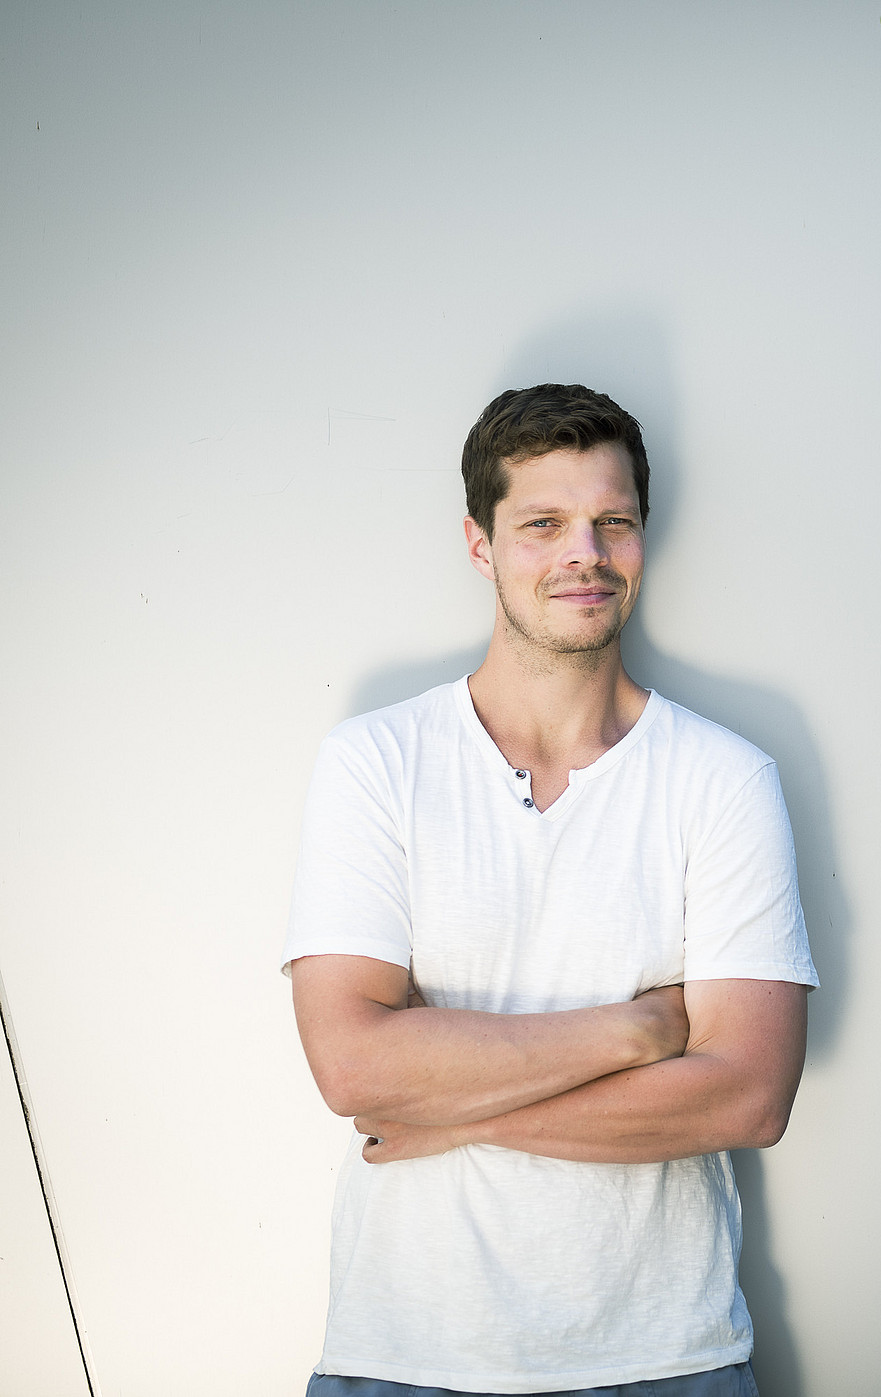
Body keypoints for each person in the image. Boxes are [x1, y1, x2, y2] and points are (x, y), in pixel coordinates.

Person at [283, 383, 818, 1397]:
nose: (585, 552)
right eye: (542, 524)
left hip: (668, 1359)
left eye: (612, 521)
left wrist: (446, 1110)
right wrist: (639, 1032)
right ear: (480, 544)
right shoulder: (376, 761)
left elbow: (749, 1095)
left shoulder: (721, 778)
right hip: (403, 1357)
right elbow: (354, 1064)